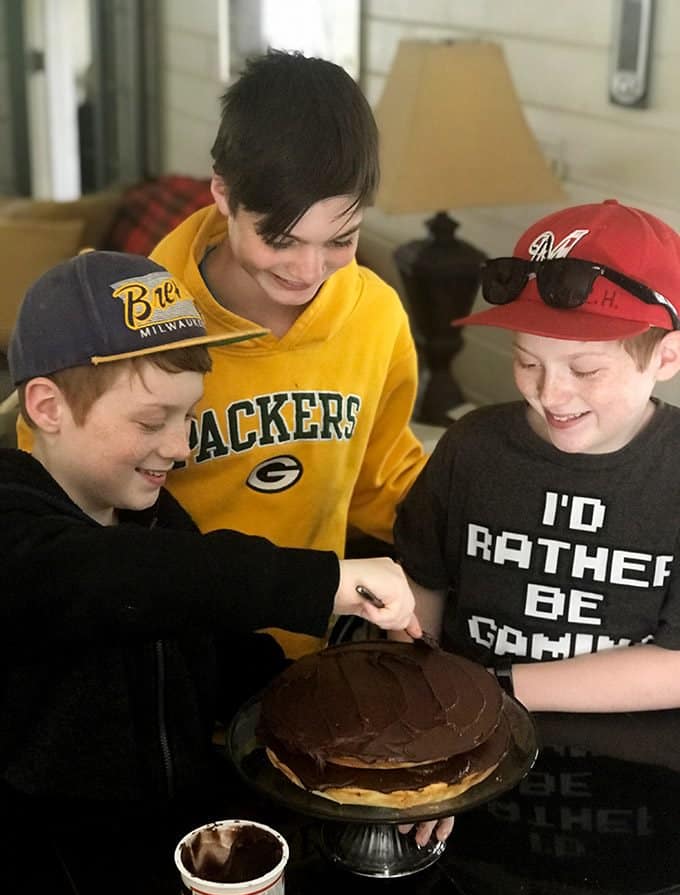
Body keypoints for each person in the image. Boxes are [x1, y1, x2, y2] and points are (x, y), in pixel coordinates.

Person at [0, 249, 421, 820]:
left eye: (188, 416)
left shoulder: (155, 516)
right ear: (47, 407)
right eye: (151, 421)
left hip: (184, 824)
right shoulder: (15, 529)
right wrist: (327, 581)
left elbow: (224, 649)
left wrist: (365, 735)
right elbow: (128, 577)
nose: (181, 447)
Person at [150, 48, 426, 661]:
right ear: (223, 194)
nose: (309, 270)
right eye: (281, 239)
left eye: (340, 240)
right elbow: (73, 529)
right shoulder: (132, 322)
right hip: (162, 665)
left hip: (307, 658)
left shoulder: (377, 317)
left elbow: (382, 481)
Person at [393, 199, 680, 713]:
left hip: (630, 762)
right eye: (527, 362)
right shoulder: (472, 447)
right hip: (462, 731)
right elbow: (422, 584)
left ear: (666, 358)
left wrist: (486, 687)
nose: (550, 395)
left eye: (585, 371)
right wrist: (418, 682)